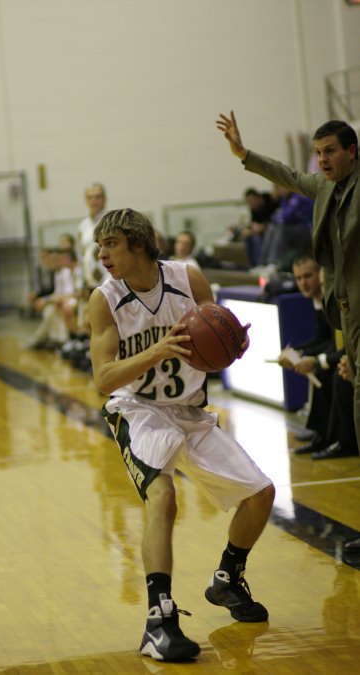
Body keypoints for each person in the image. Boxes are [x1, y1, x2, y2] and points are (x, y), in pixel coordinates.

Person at [88, 208, 275, 662]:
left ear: (137, 244)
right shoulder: (104, 299)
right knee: (164, 497)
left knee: (261, 494)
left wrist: (233, 343)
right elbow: (104, 379)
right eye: (100, 246)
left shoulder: (188, 280)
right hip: (139, 410)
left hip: (190, 410)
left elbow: (220, 335)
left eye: (110, 244)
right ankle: (158, 619)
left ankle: (227, 579)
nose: (101, 254)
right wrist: (157, 350)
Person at [216, 111, 360, 549]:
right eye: (318, 153)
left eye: (330, 151)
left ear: (353, 152)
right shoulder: (322, 185)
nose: (322, 160)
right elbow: (288, 174)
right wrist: (244, 154)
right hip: (347, 317)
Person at [280, 254, 356, 459]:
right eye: (298, 278)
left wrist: (315, 359)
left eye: (308, 277)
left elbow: (339, 343)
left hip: (348, 355)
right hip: (341, 354)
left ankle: (342, 440)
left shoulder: (335, 301)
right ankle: (324, 434)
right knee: (324, 374)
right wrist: (299, 352)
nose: (303, 283)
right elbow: (323, 338)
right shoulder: (318, 301)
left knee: (332, 375)